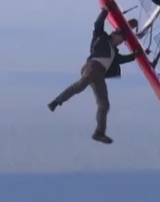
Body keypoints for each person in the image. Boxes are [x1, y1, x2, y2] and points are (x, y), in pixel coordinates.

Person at [47, 8, 138, 144]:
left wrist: (136, 55)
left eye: (122, 40)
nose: (121, 41)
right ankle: (56, 102)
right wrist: (105, 12)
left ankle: (99, 132)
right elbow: (98, 24)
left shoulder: (114, 53)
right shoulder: (101, 38)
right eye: (120, 38)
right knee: (81, 85)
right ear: (114, 34)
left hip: (99, 74)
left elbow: (123, 59)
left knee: (104, 104)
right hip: (92, 67)